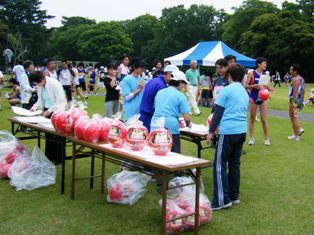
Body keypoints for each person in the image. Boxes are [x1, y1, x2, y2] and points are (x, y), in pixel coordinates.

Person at [206, 64, 249, 211]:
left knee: (219, 165)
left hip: (228, 132)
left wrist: (211, 131)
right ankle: (233, 195)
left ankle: (221, 200)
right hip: (241, 131)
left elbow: (218, 112)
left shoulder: (226, 90)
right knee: (235, 164)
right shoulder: (244, 91)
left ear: (229, 76)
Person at [29, 71, 67, 163]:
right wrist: (34, 107)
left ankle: (59, 158)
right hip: (47, 110)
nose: (37, 85)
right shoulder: (41, 86)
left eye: (37, 83)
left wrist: (50, 110)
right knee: (48, 135)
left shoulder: (55, 84)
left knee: (57, 135)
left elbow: (60, 100)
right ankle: (50, 156)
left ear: (42, 79)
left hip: (57, 111)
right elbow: (40, 99)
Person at [151, 70, 191, 153]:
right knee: (173, 154)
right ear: (179, 82)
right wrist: (188, 124)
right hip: (170, 128)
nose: (184, 86)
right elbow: (186, 117)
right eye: (183, 83)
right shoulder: (180, 96)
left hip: (155, 124)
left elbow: (158, 108)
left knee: (155, 152)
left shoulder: (160, 92)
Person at [140, 65, 179, 131]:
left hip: (144, 113)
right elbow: (160, 106)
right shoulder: (161, 86)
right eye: (173, 76)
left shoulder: (154, 80)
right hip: (150, 116)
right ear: (168, 74)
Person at [245, 57, 271, 146]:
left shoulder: (266, 74)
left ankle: (267, 139)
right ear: (259, 64)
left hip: (263, 98)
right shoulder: (251, 73)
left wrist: (268, 90)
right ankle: (251, 138)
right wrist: (254, 86)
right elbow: (245, 85)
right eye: (264, 63)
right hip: (253, 97)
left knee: (264, 119)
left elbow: (267, 86)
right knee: (252, 119)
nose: (265, 65)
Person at [288, 64, 305, 140]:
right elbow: (303, 91)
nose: (290, 71)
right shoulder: (302, 79)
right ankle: (296, 135)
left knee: (293, 116)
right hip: (299, 100)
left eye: (291, 70)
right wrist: (302, 101)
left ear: (295, 71)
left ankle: (298, 130)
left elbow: (295, 91)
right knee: (294, 115)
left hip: (294, 99)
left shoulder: (295, 79)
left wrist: (293, 102)